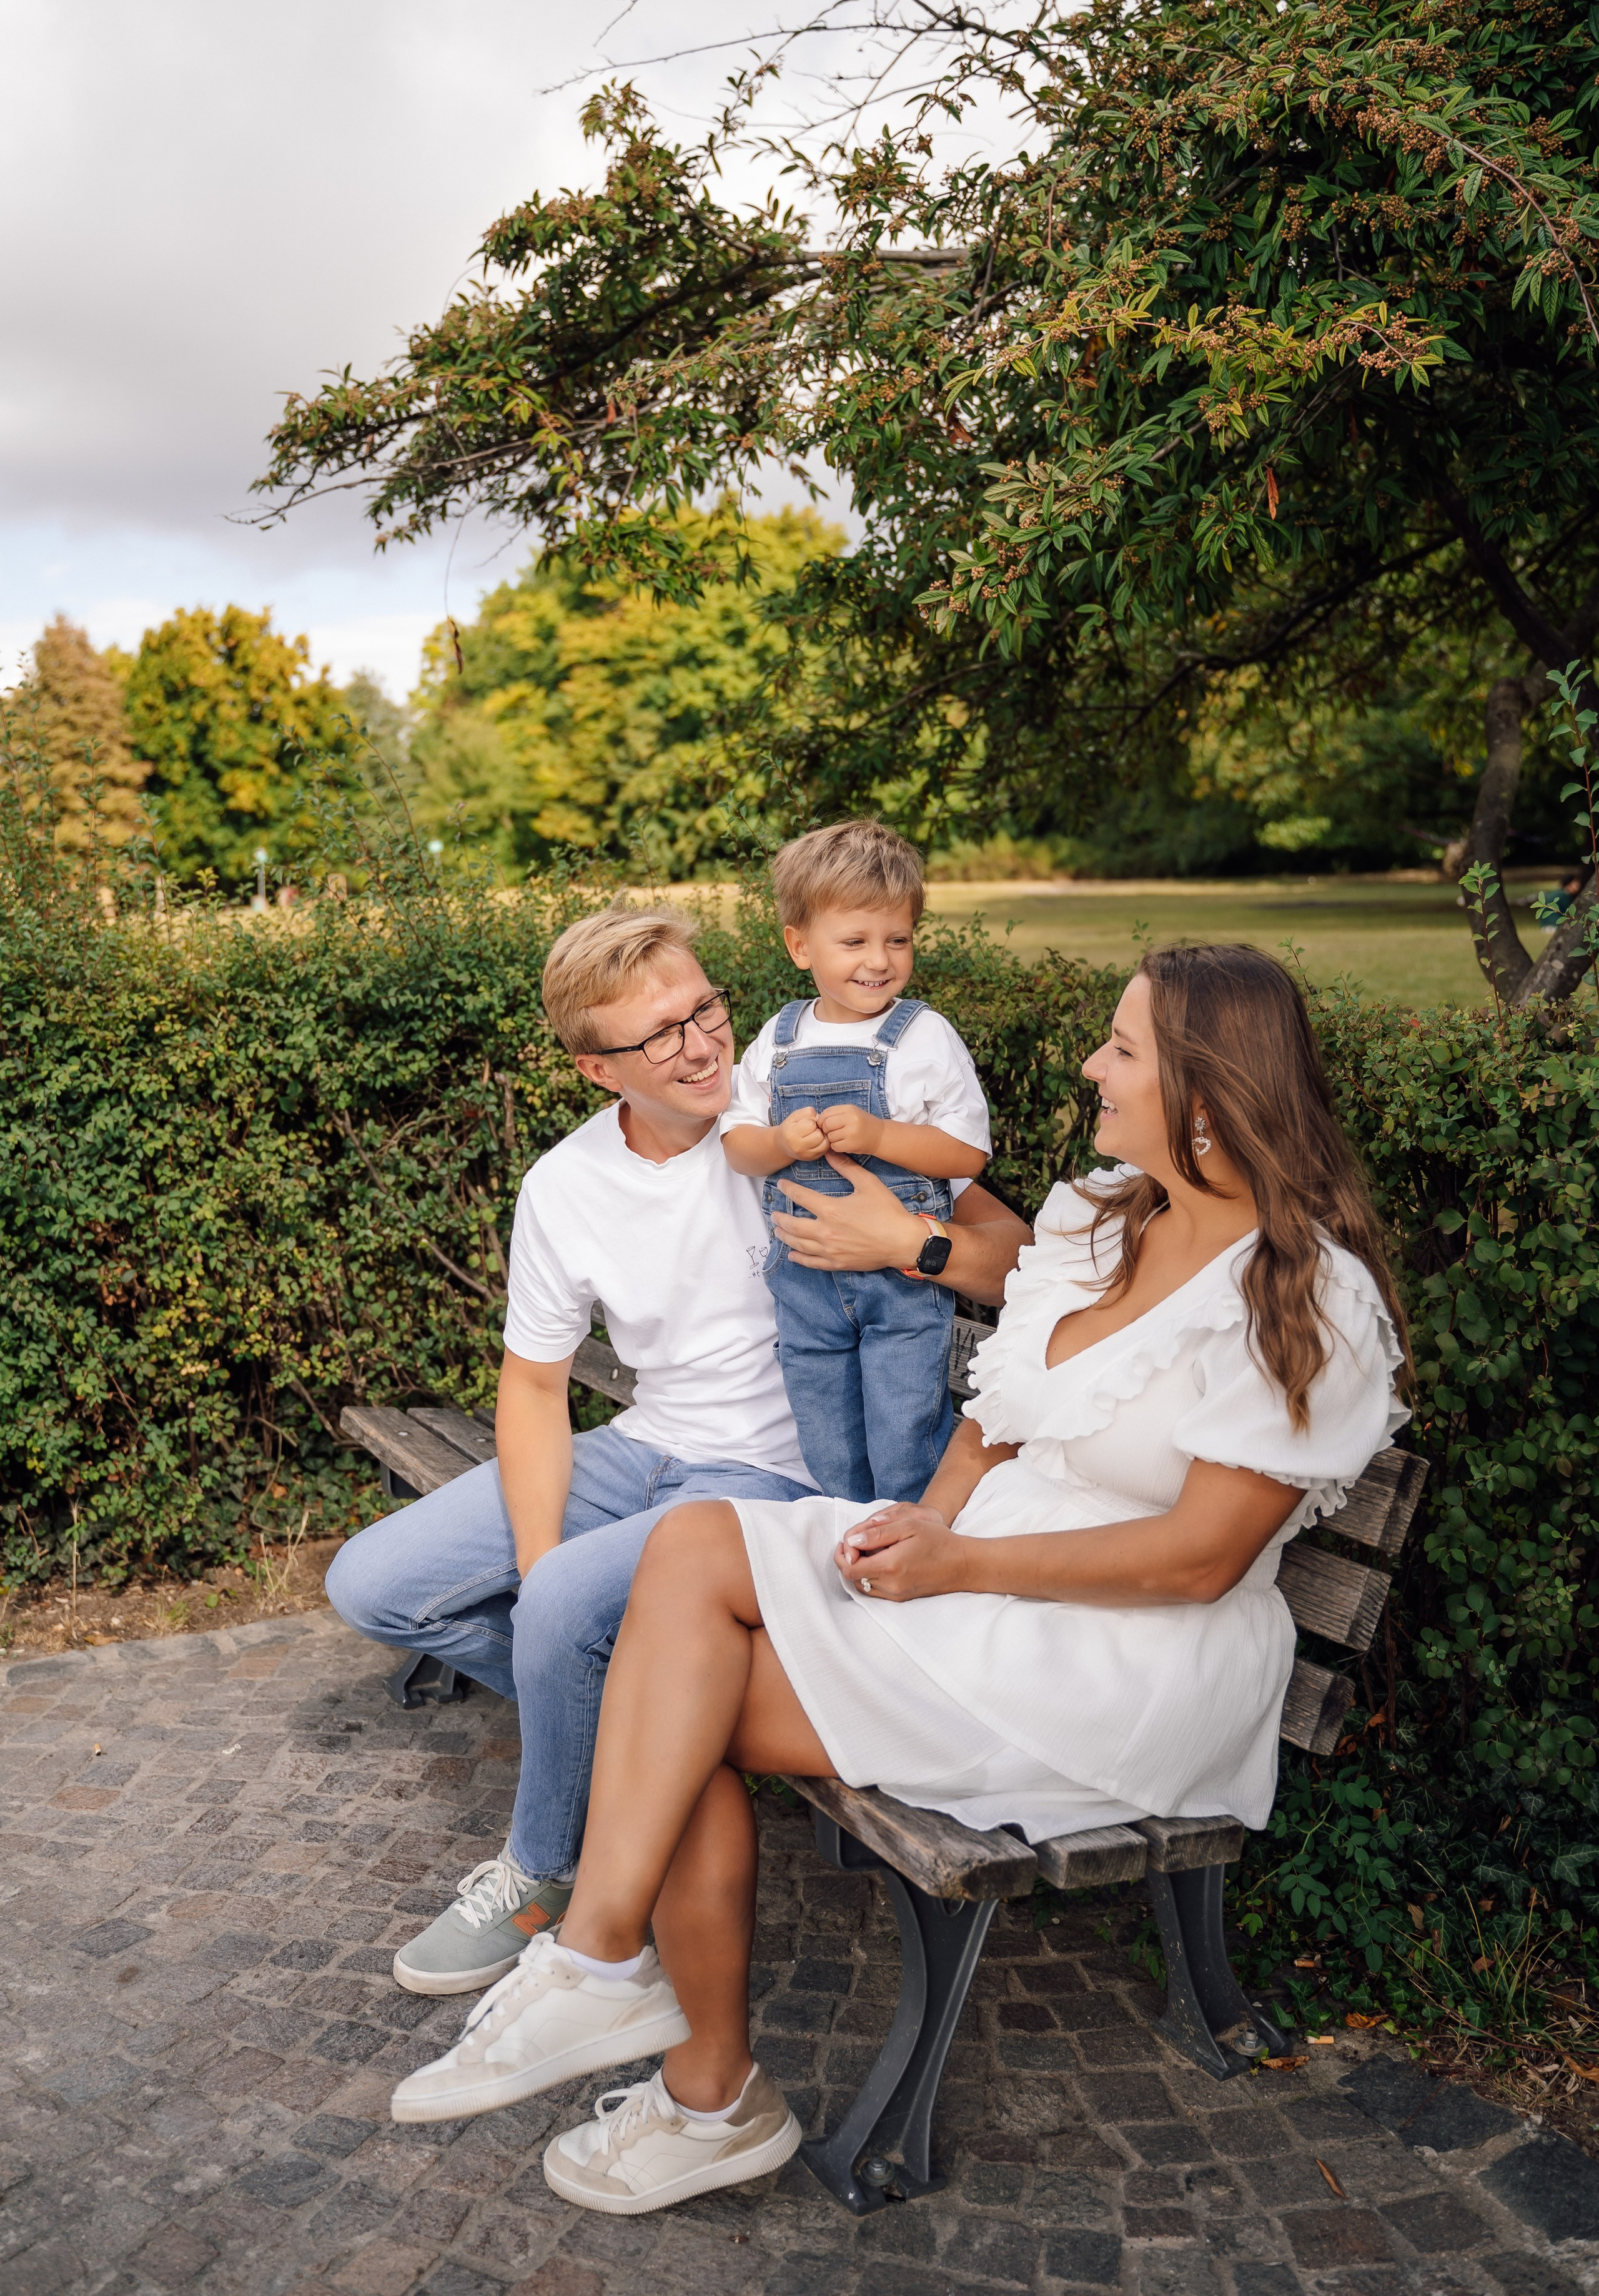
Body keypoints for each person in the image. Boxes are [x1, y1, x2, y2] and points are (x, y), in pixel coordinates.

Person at [388, 943, 1410, 2217]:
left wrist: (957, 1561)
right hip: (984, 1573)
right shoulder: (1106, 1216)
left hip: (1129, 1652)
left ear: (1207, 1098)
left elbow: (1200, 1561)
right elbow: (993, 1418)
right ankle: (613, 1978)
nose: (1090, 1066)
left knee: (677, 1702)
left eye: (1121, 1048)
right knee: (690, 1558)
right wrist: (918, 1526)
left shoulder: (1303, 1294)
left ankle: (689, 2072)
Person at [325, 904, 1029, 2001]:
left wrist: (912, 1243)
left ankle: (543, 1869)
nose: (703, 1047)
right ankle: (641, 1722)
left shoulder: (804, 1112)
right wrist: (542, 1560)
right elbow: (534, 1385)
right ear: (596, 1069)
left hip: (776, 1479)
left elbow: (1019, 1259)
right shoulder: (566, 1185)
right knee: (375, 1585)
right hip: (642, 1444)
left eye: (706, 1009)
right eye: (661, 1035)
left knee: (566, 1610)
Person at [721, 821, 991, 1506]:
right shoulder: (779, 1038)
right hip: (805, 1284)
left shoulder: (922, 1036)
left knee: (905, 1432)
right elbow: (739, 1144)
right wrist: (782, 1145)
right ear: (799, 946)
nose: (879, 960)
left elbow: (967, 1151)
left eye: (897, 940)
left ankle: (915, 1534)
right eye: (854, 942)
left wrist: (880, 1134)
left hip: (900, 1287)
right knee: (827, 1438)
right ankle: (846, 1531)